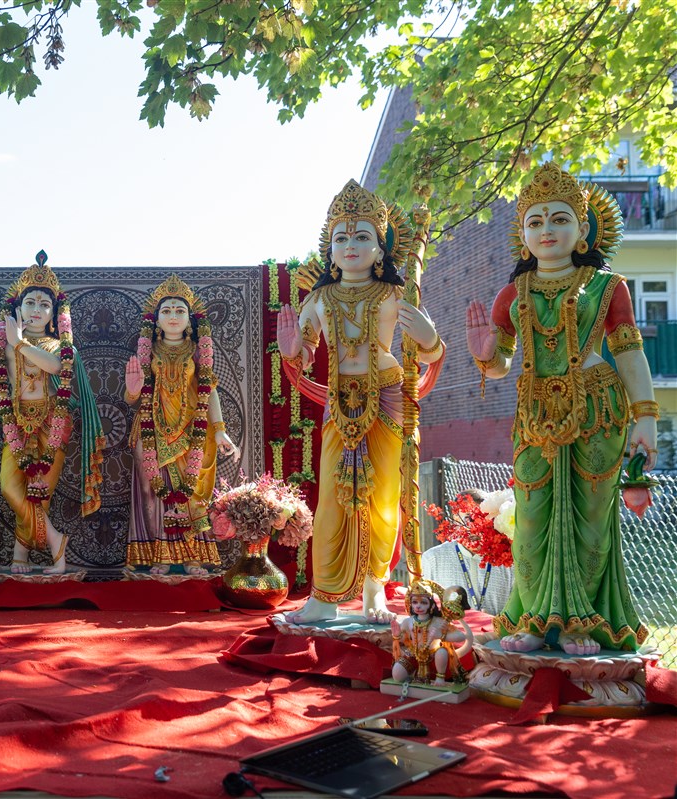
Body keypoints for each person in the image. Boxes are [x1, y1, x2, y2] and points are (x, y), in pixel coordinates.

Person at [466, 162, 653, 655]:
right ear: (523, 235)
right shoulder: (513, 293)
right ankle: (533, 619)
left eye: (559, 219)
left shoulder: (607, 286)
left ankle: (580, 624)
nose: (546, 230)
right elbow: (500, 365)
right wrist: (485, 355)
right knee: (531, 521)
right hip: (535, 416)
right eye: (535, 221)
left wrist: (647, 417)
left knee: (591, 522)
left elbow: (629, 352)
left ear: (583, 229)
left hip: (597, 410)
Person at [276, 180, 445, 622]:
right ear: (329, 250)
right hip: (339, 401)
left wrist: (430, 339)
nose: (350, 246)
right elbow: (303, 352)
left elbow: (428, 351)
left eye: (362, 236)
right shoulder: (319, 298)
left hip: (387, 396)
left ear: (381, 247)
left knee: (383, 498)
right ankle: (324, 597)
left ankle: (375, 594)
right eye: (341, 238)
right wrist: (293, 349)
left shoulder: (395, 294)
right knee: (332, 498)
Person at [0, 253, 104, 574]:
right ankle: (55, 539)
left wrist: (20, 343)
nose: (36, 310)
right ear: (18, 309)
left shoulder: (59, 347)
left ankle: (21, 555)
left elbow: (56, 368)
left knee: (39, 494)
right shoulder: (4, 346)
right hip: (16, 422)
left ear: (54, 314)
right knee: (10, 487)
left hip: (53, 422)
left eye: (44, 304)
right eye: (30, 303)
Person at [124, 274, 240, 576]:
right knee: (152, 491)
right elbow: (132, 397)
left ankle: (193, 557)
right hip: (151, 428)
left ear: (190, 319)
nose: (173, 316)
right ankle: (158, 555)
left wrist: (220, 429)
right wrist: (132, 390)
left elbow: (209, 390)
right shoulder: (147, 352)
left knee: (189, 492)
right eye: (166, 311)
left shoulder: (197, 352)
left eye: (179, 310)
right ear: (156, 320)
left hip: (191, 429)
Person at [390, 580, 473, 686]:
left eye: (424, 602)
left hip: (433, 655)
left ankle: (440, 678)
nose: (418, 606)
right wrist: (396, 635)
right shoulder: (408, 621)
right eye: (415, 602)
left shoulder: (438, 621)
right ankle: (413, 676)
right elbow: (403, 639)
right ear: (411, 604)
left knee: (442, 652)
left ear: (432, 605)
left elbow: (461, 636)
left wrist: (441, 636)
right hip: (414, 653)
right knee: (397, 675)